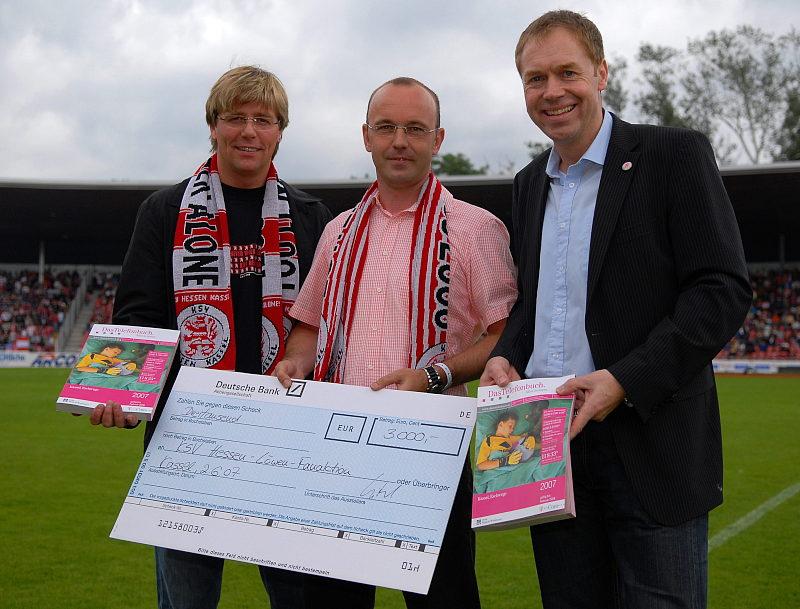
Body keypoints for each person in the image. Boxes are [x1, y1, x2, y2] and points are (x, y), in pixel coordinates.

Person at [480, 10, 751, 609]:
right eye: (535, 78)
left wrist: (624, 380)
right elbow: (533, 303)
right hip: (551, 446)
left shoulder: (673, 154)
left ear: (601, 73)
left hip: (650, 441)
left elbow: (721, 288)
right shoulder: (528, 183)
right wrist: (505, 354)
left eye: (567, 72)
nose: (552, 91)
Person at [88, 66, 332, 609]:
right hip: (188, 435)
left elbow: (324, 321)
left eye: (263, 120)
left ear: (280, 131)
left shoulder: (311, 216)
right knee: (187, 598)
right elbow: (139, 314)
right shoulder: (164, 210)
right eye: (235, 117)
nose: (249, 131)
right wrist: (122, 394)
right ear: (213, 126)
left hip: (286, 436)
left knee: (300, 596)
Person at [274, 76, 517, 609]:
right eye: (386, 127)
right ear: (366, 136)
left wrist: (434, 375)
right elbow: (309, 325)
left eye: (415, 128)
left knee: (443, 599)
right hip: (335, 450)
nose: (400, 141)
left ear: (438, 138)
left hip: (431, 452)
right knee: (331, 601)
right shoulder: (339, 229)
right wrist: (293, 361)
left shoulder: (476, 228)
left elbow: (505, 337)